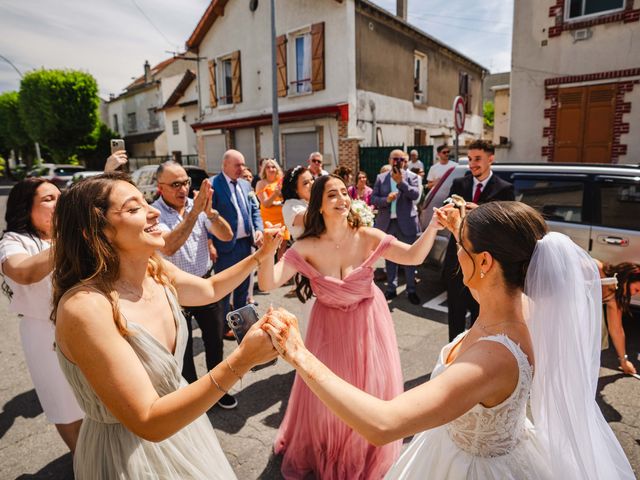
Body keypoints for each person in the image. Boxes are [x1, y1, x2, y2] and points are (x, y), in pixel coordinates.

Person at [263, 201, 635, 480]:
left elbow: (384, 423)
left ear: (485, 263)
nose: (458, 252)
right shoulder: (525, 305)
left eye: (463, 246)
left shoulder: (492, 359)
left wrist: (298, 353)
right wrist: (465, 229)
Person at [52, 172, 280, 479]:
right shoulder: (85, 309)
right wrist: (243, 360)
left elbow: (210, 289)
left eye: (145, 202)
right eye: (133, 209)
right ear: (94, 232)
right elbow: (148, 421)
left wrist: (261, 255)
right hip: (128, 454)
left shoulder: (155, 271)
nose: (154, 211)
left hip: (185, 429)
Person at [257, 174, 441, 479]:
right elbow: (268, 282)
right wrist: (266, 252)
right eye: (332, 195)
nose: (342, 199)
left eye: (344, 193)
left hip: (368, 322)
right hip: (327, 327)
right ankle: (331, 448)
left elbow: (413, 256)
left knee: (368, 389)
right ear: (318, 204)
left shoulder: (366, 235)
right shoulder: (305, 246)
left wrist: (434, 225)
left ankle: (363, 451)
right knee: (327, 394)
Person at [0, 178, 84, 454]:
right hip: (44, 333)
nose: (58, 203)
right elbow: (23, 272)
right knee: (64, 404)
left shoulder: (73, 234)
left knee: (94, 396)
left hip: (84, 326)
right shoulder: (14, 242)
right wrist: (67, 237)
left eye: (60, 196)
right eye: (48, 199)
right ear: (26, 208)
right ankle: (82, 460)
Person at [152, 162, 236, 409]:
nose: (183, 189)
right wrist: (194, 213)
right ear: (160, 188)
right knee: (183, 350)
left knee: (215, 342)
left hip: (204, 284)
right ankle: (193, 400)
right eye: (175, 184)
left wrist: (209, 213)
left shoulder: (196, 206)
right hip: (175, 293)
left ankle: (218, 390)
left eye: (186, 182)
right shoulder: (153, 213)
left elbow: (226, 235)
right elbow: (169, 246)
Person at [443, 139, 514, 341]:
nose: (472, 163)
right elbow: (449, 210)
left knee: (481, 314)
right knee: (455, 314)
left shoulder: (504, 188)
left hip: (486, 263)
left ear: (491, 159)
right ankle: (453, 357)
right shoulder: (459, 184)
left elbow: (507, 225)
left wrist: (480, 212)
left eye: (477, 159)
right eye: (470, 159)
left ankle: (477, 355)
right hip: (457, 260)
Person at [210, 149, 264, 320]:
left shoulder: (246, 185)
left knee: (243, 286)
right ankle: (224, 325)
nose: (241, 168)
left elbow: (254, 210)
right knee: (224, 289)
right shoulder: (213, 185)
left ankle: (241, 324)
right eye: (237, 165)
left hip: (245, 244)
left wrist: (258, 229)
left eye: (243, 164)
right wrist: (210, 242)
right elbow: (207, 217)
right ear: (225, 165)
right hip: (225, 247)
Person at [371, 150, 422, 305]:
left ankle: (411, 289)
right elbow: (373, 198)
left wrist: (401, 183)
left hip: (406, 223)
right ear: (390, 160)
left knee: (409, 259)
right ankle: (391, 289)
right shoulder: (381, 178)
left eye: (401, 159)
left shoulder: (413, 177)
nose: (398, 161)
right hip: (387, 224)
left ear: (406, 161)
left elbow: (415, 195)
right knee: (390, 258)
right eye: (395, 159)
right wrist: (386, 199)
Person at [596, 261, 640, 374]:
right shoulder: (596, 268)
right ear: (627, 279)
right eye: (636, 290)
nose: (634, 294)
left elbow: (617, 330)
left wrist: (624, 361)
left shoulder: (614, 298)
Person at [255, 158, 289, 259]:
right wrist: (275, 194)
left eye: (273, 167)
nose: (271, 169)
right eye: (268, 167)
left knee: (282, 246)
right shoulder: (261, 183)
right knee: (269, 247)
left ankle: (279, 270)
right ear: (264, 170)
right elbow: (265, 203)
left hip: (282, 218)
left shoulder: (281, 182)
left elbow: (286, 199)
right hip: (268, 220)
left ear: (277, 169)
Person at [281, 166, 314, 241]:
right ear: (295, 189)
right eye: (306, 183)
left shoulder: (310, 201)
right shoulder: (290, 206)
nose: (312, 184)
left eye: (312, 179)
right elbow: (313, 218)